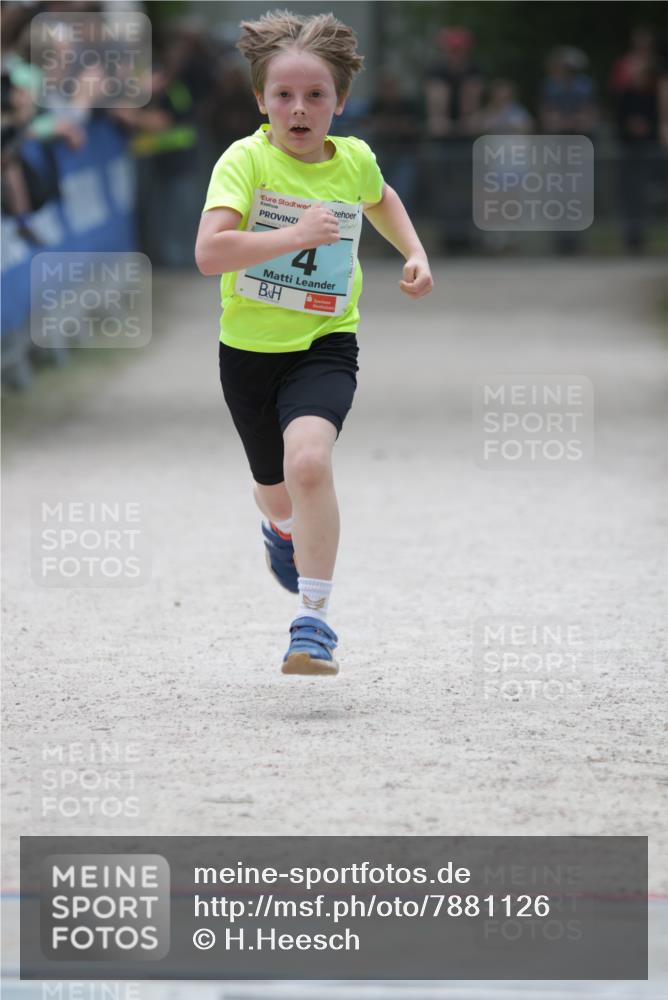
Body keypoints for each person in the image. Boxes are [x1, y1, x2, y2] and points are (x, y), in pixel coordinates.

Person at [195, 10, 433, 676]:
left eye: (316, 96)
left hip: (326, 342)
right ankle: (280, 526)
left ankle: (314, 623)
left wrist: (414, 252)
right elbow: (210, 253)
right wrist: (294, 235)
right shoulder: (245, 160)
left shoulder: (352, 158)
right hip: (248, 352)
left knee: (308, 465)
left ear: (340, 102)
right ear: (261, 102)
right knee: (277, 492)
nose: (299, 110)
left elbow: (380, 198)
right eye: (284, 96)